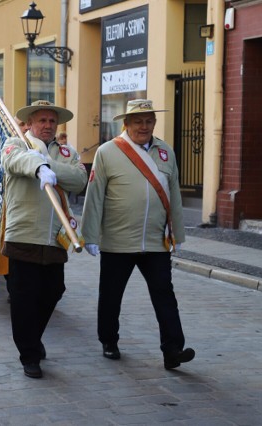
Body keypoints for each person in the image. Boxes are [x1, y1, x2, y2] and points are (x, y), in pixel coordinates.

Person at [81, 99, 195, 370]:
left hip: (156, 241)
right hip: (118, 240)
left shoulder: (165, 151)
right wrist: (91, 236)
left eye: (149, 120)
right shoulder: (108, 152)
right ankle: (108, 340)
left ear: (154, 122)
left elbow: (174, 194)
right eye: (138, 121)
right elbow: (94, 196)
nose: (144, 126)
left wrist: (176, 233)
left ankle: (173, 350)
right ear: (126, 123)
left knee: (164, 294)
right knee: (111, 294)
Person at [1, 100, 87, 379]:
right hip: (23, 233)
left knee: (53, 291)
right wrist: (38, 166)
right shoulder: (16, 143)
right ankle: (29, 354)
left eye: (52, 121)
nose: (48, 126)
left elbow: (78, 179)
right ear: (30, 123)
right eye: (42, 121)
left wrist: (50, 165)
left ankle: (32, 337)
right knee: (24, 297)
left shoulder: (66, 152)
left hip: (55, 235)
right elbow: (14, 161)